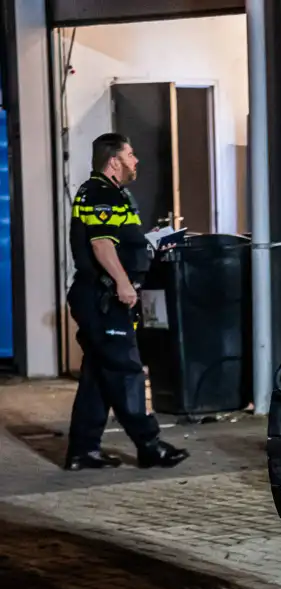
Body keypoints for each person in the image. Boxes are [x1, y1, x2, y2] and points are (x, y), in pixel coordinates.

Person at [65, 133, 190, 471]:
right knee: (126, 372)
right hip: (104, 296)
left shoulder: (112, 193)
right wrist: (123, 284)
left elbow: (121, 242)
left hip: (104, 295)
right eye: (131, 155)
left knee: (98, 375)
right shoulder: (100, 193)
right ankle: (149, 446)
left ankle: (82, 451)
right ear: (114, 160)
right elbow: (102, 246)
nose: (136, 161)